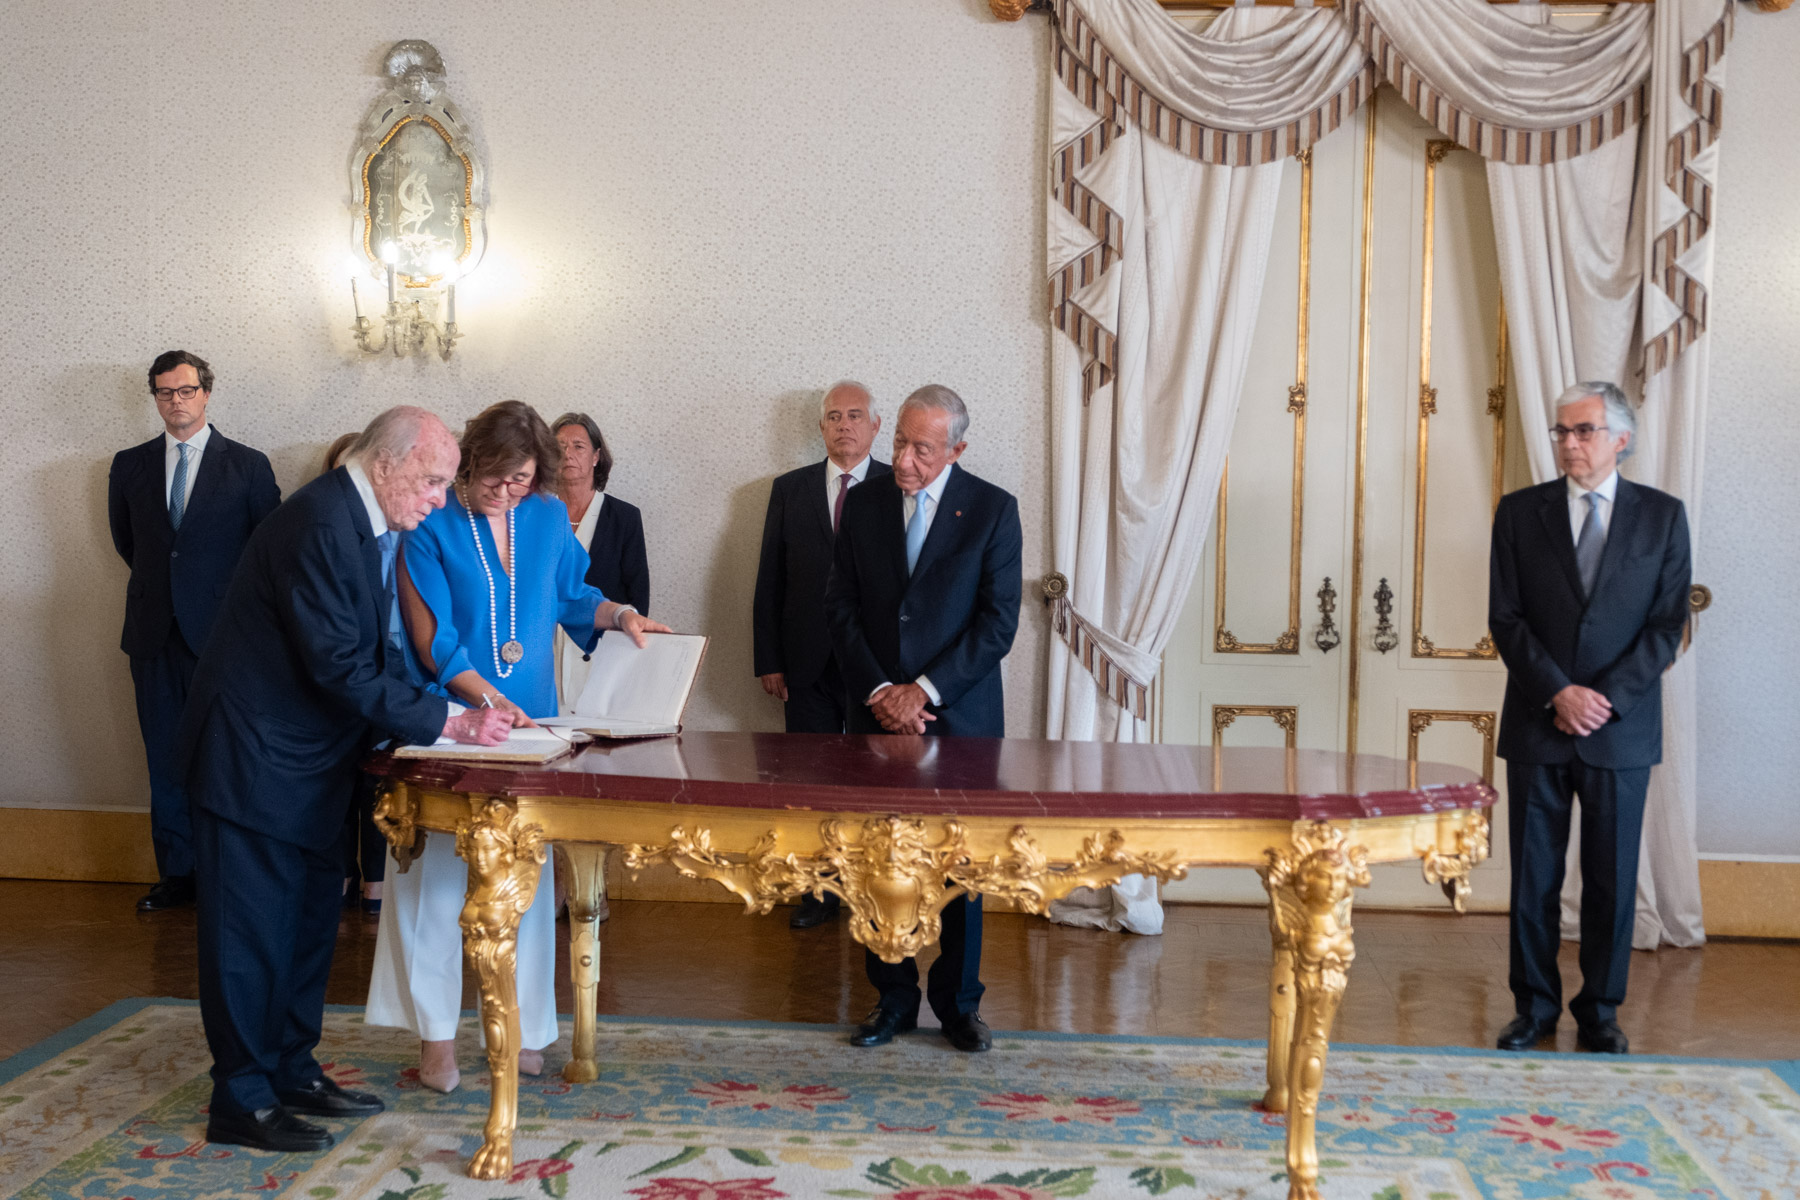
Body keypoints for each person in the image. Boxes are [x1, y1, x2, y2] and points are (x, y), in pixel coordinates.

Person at [176, 406, 513, 1154]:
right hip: (252, 763)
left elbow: (370, 653)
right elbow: (338, 664)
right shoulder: (320, 523)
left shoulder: (361, 521)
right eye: (432, 481)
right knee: (249, 938)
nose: (438, 499)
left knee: (303, 931)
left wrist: (444, 707)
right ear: (386, 462)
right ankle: (241, 1097)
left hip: (309, 761)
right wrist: (450, 722)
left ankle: (291, 1071)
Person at [366, 400, 669, 1095]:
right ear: (469, 463)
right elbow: (432, 640)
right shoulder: (431, 521)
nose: (507, 492)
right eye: (495, 478)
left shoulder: (546, 516)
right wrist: (485, 702)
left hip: (534, 727)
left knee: (524, 886)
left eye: (522, 480)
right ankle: (437, 1044)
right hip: (450, 724)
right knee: (436, 888)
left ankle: (525, 1032)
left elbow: (573, 596)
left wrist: (622, 615)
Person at [1488, 381, 1691, 1057]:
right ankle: (1534, 1009)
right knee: (1533, 880)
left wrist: (1604, 698)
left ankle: (1601, 1012)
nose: (1569, 443)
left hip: (1620, 729)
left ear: (1620, 440)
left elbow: (1667, 625)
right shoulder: (1520, 513)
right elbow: (1506, 618)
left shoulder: (1662, 517)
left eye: (1583, 431)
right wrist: (1559, 692)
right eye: (1562, 431)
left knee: (1612, 880)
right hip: (1538, 723)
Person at [824, 384, 1022, 1053]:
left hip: (958, 717)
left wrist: (923, 691)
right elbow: (841, 606)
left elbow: (997, 625)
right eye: (900, 443)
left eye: (923, 450)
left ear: (957, 450)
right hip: (877, 712)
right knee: (880, 857)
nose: (904, 460)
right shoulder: (864, 503)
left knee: (961, 865)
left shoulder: (994, 509)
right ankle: (892, 999)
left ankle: (959, 1006)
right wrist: (883, 690)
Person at [108, 350, 280, 913]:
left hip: (225, 640)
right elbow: (129, 544)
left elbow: (267, 553)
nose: (175, 401)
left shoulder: (248, 465)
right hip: (153, 636)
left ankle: (228, 872)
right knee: (164, 759)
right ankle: (177, 875)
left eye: (185, 390)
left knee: (226, 759)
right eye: (164, 392)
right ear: (154, 398)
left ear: (206, 393)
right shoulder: (129, 465)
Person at [753, 380, 890, 928]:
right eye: (834, 416)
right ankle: (819, 893)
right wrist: (769, 658)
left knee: (874, 780)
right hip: (805, 663)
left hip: (876, 668)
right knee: (810, 781)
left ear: (875, 426)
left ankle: (873, 888)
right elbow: (770, 578)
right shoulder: (790, 489)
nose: (844, 425)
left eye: (855, 415)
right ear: (820, 427)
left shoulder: (896, 485)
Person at [322, 431, 387, 918]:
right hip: (338, 677)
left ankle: (377, 880)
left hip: (389, 673)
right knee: (337, 783)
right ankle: (341, 873)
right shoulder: (322, 529)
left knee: (377, 782)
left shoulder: (403, 529)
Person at [550, 412, 651, 713]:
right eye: (560, 446)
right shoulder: (536, 514)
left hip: (601, 653)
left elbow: (637, 596)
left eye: (578, 446)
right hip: (543, 652)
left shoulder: (624, 517)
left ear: (596, 456)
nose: (568, 454)